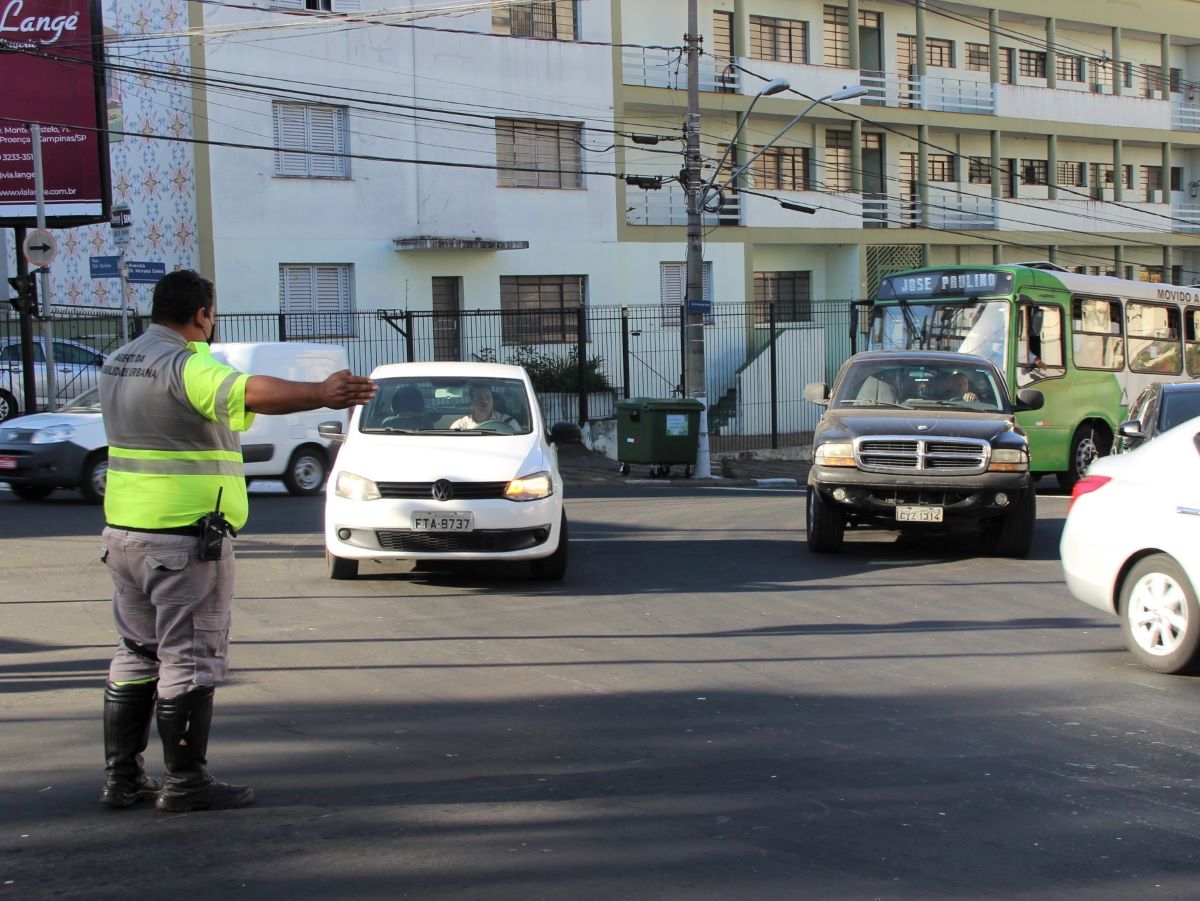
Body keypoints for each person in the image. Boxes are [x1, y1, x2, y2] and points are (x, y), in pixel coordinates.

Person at [97, 269, 375, 812]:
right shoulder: (185, 364)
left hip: (125, 534)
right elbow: (248, 392)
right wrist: (321, 392)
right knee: (188, 656)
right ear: (202, 314)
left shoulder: (120, 360)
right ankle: (185, 782)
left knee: (135, 653)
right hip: (182, 540)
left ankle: (122, 779)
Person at [451, 383, 516, 430]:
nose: (485, 401)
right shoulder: (460, 426)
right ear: (472, 402)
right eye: (480, 398)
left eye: (488, 397)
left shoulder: (507, 422)